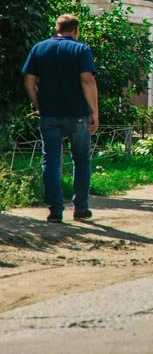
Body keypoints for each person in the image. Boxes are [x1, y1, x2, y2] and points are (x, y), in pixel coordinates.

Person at [21, 14, 100, 222]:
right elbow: (87, 80)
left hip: (50, 115)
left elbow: (29, 81)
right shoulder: (81, 50)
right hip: (78, 115)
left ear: (57, 29)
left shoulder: (39, 48)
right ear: (75, 30)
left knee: (51, 160)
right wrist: (94, 112)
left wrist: (39, 104)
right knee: (81, 159)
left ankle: (55, 210)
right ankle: (80, 208)